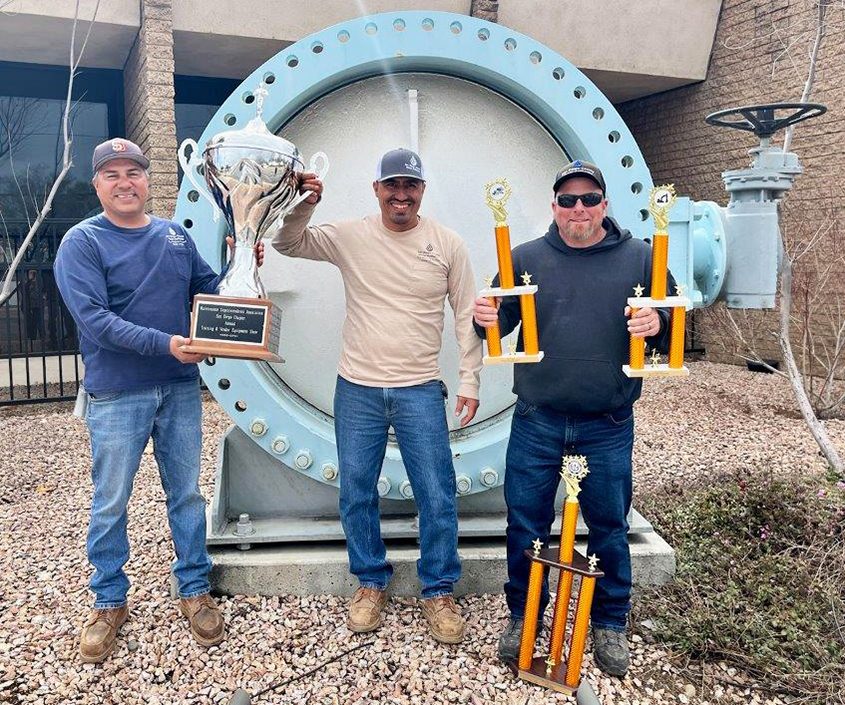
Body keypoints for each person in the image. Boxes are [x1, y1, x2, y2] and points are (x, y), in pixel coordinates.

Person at [55, 138, 262, 663]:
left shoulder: (174, 235)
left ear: (149, 180)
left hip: (177, 389)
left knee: (186, 496)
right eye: (113, 175)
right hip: (117, 392)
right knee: (110, 501)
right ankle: (108, 601)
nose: (126, 183)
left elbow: (207, 292)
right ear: (98, 184)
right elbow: (95, 322)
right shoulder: (82, 242)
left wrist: (245, 265)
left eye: (135, 172)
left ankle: (193, 589)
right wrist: (166, 343)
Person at [271, 147, 482, 644]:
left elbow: (467, 317)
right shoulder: (350, 235)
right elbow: (287, 241)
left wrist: (470, 380)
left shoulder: (448, 245)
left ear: (422, 191)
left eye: (410, 186)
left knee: (436, 492)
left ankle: (439, 589)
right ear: (377, 189)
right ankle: (370, 581)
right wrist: (306, 201)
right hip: (358, 388)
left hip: (420, 389)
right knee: (356, 491)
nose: (401, 195)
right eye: (392, 186)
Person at [473, 160, 673, 676]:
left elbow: (671, 325)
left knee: (609, 525)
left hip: (607, 422)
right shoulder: (524, 259)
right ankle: (524, 613)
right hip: (538, 419)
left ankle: (610, 620)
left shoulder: (642, 259)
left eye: (589, 199)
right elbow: (499, 323)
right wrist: (484, 318)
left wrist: (658, 321)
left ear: (605, 205)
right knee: (526, 523)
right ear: (554, 207)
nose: (578, 208)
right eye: (567, 200)